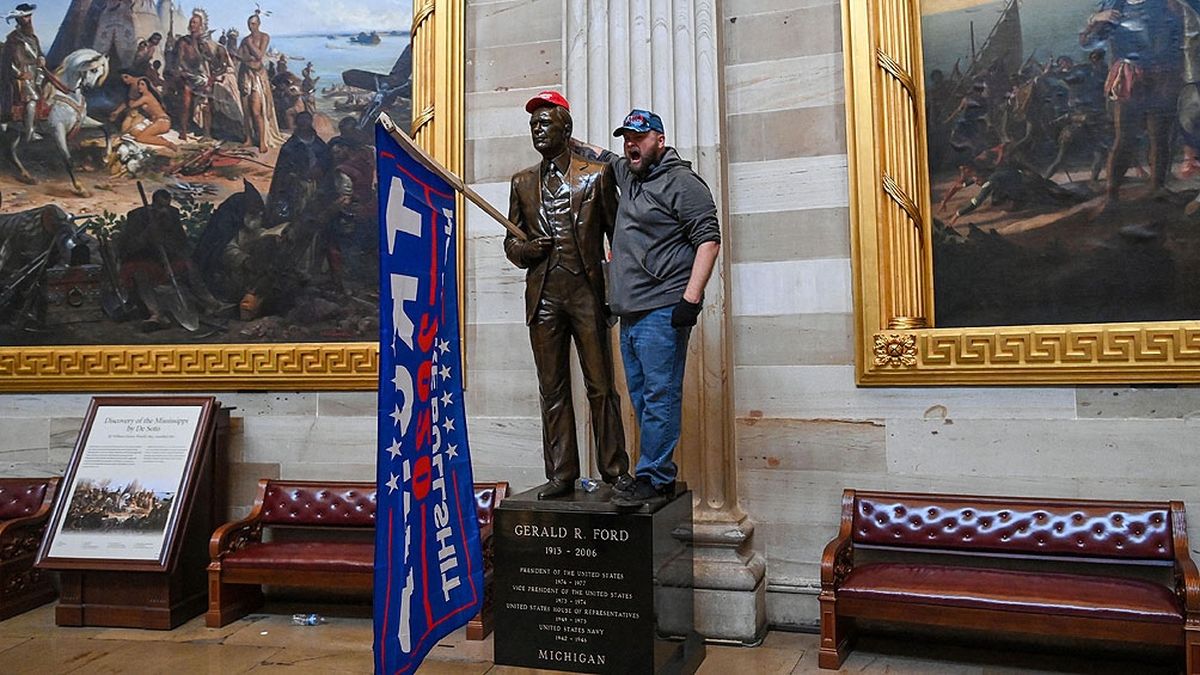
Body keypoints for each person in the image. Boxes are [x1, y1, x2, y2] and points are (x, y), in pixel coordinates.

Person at [574, 108, 720, 507]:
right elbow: (601, 155)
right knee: (641, 397)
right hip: (631, 311)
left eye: (639, 137)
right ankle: (658, 472)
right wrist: (563, 131)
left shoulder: (683, 183)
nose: (631, 145)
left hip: (663, 308)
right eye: (627, 138)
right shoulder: (629, 174)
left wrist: (689, 300)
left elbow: (709, 240)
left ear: (660, 139)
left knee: (660, 395)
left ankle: (653, 477)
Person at [503, 91, 631, 500]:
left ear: (566, 128)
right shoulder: (522, 182)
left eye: (545, 123)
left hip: (586, 295)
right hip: (543, 299)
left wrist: (618, 296)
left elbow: (619, 239)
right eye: (533, 125)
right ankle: (561, 473)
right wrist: (527, 250)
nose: (537, 131)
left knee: (601, 385)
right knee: (553, 389)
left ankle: (613, 471)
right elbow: (511, 244)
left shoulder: (596, 175)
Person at [1080, 0, 1182, 205]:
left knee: (1160, 137)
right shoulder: (1115, 7)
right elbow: (1088, 44)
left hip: (1163, 76)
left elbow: (1180, 35)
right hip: (1130, 79)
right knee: (1125, 139)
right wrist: (1094, 19)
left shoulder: (1165, 3)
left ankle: (1157, 187)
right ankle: (1112, 196)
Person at [118, 189, 226, 329]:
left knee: (188, 266)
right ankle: (156, 314)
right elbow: (129, 247)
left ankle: (210, 303)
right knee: (140, 274)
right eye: (160, 207)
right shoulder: (137, 216)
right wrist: (148, 234)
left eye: (166, 207)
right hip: (143, 260)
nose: (164, 211)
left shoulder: (172, 215)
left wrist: (170, 254)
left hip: (166, 259)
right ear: (153, 205)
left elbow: (181, 243)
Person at [238, 10, 285, 152]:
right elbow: (239, 56)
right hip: (245, 74)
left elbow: (259, 55)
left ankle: (263, 141)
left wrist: (249, 45)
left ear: (258, 24)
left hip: (258, 77)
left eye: (253, 24)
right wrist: (248, 57)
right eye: (249, 24)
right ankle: (249, 138)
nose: (251, 27)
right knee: (246, 110)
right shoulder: (244, 40)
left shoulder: (264, 37)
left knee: (256, 109)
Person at [0, 3, 44, 144]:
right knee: (31, 101)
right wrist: (20, 74)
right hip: (19, 77)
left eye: (30, 16)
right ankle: (29, 133)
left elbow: (38, 53)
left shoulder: (33, 38)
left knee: (40, 98)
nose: (29, 19)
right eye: (25, 17)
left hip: (35, 74)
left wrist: (42, 58)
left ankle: (33, 128)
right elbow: (7, 61)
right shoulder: (12, 39)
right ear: (19, 19)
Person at [170, 10, 214, 141]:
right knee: (185, 102)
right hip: (188, 75)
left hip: (203, 76)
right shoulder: (184, 41)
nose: (192, 24)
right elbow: (179, 59)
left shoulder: (204, 42)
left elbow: (211, 60)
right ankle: (183, 131)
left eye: (195, 22)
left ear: (201, 25)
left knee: (206, 105)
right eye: (191, 22)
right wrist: (181, 71)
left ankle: (207, 133)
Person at [110, 69, 176, 149]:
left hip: (162, 122)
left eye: (142, 84)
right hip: (156, 121)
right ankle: (156, 139)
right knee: (134, 132)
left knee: (140, 138)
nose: (139, 87)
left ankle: (168, 143)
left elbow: (131, 105)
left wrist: (130, 98)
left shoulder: (146, 97)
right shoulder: (144, 97)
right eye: (139, 85)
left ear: (147, 86)